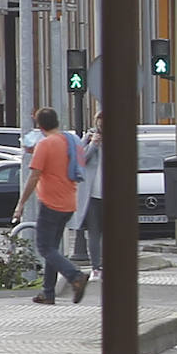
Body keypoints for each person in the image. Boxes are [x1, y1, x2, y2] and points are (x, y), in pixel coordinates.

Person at [12, 107, 90, 305]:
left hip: (51, 203)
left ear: (39, 126)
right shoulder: (70, 140)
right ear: (56, 121)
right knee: (52, 249)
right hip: (69, 202)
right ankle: (48, 293)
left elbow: (35, 175)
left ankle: (75, 276)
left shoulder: (45, 145)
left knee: (45, 247)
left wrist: (21, 204)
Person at [69, 112, 103, 282]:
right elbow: (80, 160)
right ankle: (97, 267)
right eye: (100, 121)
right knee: (94, 233)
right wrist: (93, 145)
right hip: (92, 195)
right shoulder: (88, 138)